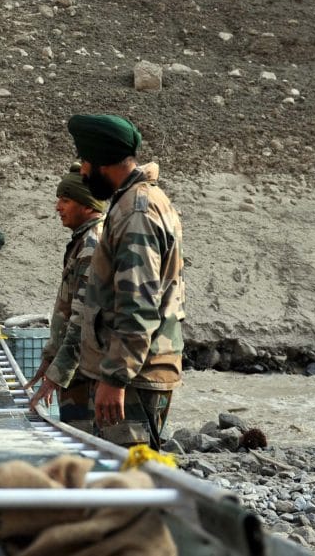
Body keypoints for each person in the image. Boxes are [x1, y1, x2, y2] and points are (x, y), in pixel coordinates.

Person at [66, 113, 186, 449]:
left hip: (135, 377)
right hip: (137, 371)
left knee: (126, 483)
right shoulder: (135, 203)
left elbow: (138, 299)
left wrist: (116, 377)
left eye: (86, 162)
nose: (83, 172)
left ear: (103, 162)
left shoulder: (136, 212)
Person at [25, 163, 107, 434]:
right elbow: (65, 309)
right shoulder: (82, 241)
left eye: (65, 200)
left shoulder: (92, 245)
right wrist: (50, 357)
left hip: (86, 367)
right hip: (76, 364)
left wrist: (57, 374)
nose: (58, 207)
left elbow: (82, 317)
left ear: (87, 205)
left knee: (84, 442)